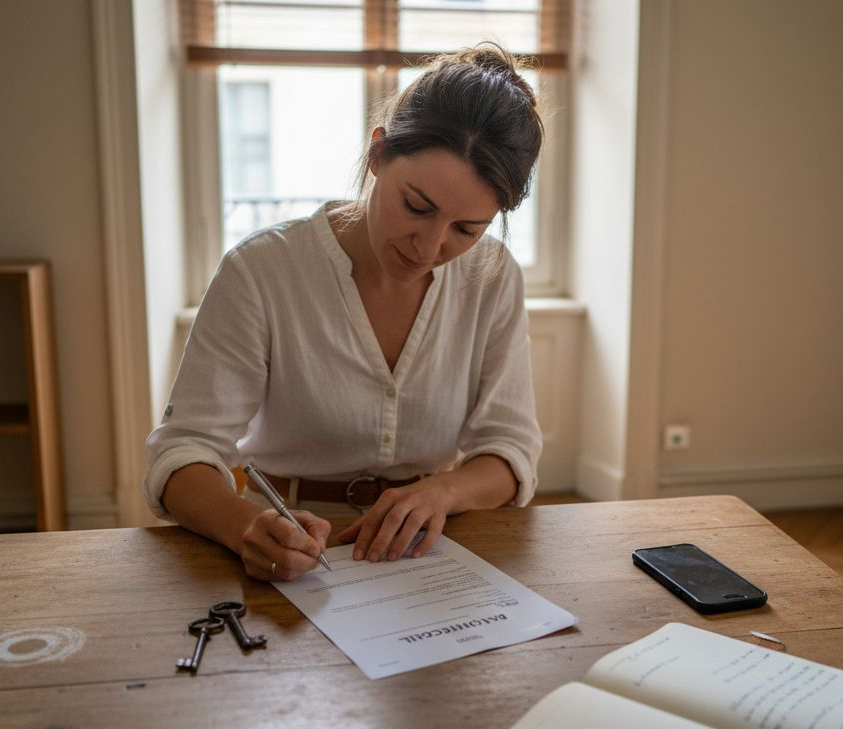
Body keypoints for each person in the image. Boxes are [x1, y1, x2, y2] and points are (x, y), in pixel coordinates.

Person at [144, 43, 544, 582]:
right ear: (377, 155)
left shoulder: (493, 278)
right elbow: (183, 450)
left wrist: (443, 491)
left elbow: (510, 449)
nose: (428, 248)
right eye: (416, 208)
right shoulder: (262, 271)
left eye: (465, 230)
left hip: (431, 550)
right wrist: (246, 525)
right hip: (291, 546)